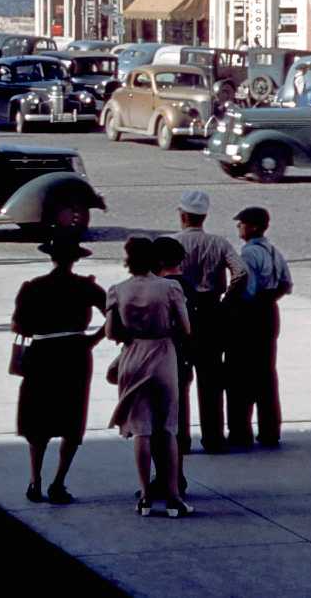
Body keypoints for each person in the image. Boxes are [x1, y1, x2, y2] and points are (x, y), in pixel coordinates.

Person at [12, 236, 109, 506]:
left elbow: (19, 326)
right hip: (75, 353)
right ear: (76, 259)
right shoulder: (86, 287)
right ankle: (58, 482)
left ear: (51, 258)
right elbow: (114, 314)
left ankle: (35, 480)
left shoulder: (33, 287)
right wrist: (93, 339)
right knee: (72, 416)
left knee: (38, 416)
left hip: (42, 353)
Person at [106, 234, 193, 518]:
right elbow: (185, 327)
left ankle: (144, 496)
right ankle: (173, 497)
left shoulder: (118, 290)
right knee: (167, 428)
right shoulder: (170, 288)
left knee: (141, 430)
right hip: (163, 353)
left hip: (133, 354)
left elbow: (111, 332)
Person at [172, 189, 247, 453]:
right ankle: (213, 437)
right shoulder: (218, 243)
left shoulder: (171, 243)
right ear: (204, 216)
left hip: (181, 313)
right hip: (211, 312)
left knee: (179, 380)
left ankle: (180, 438)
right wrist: (226, 301)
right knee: (211, 379)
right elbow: (240, 272)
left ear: (183, 215)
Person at [226, 206, 292, 449]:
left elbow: (247, 289)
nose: (239, 226)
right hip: (269, 314)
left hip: (250, 316)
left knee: (240, 374)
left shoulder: (248, 253)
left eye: (242, 223)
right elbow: (286, 283)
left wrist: (229, 304)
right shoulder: (274, 251)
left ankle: (240, 431)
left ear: (253, 227)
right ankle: (269, 429)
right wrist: (270, 297)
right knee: (266, 373)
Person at [151, 235, 193, 500]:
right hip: (182, 358)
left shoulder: (160, 288)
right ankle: (176, 475)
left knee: (158, 424)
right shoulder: (188, 287)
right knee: (176, 420)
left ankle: (167, 477)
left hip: (160, 357)